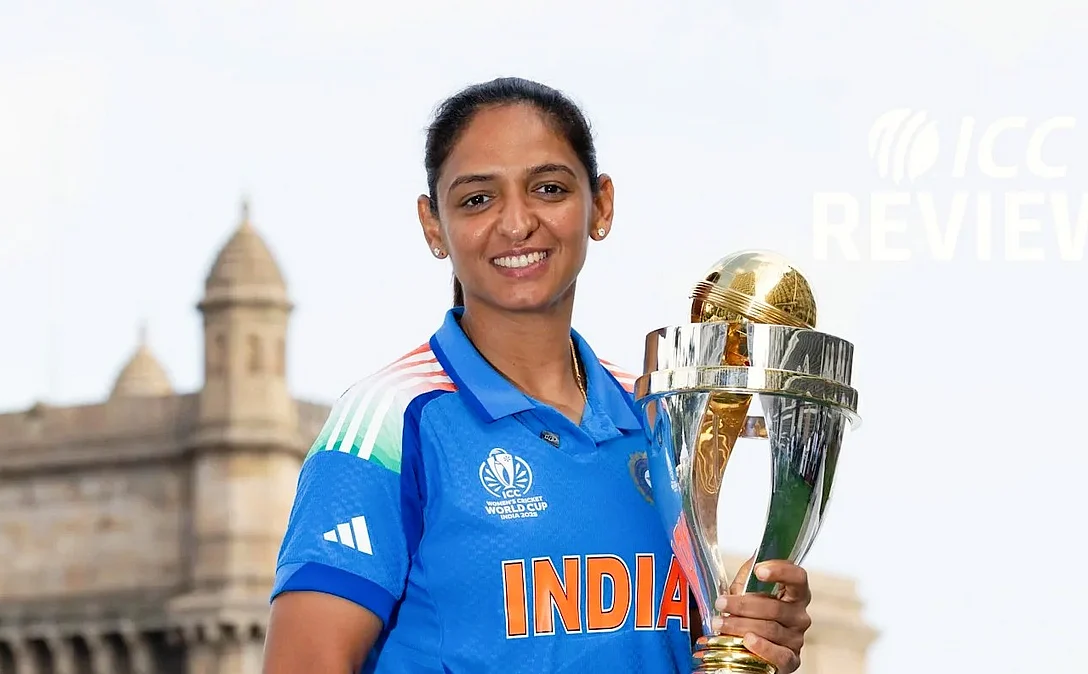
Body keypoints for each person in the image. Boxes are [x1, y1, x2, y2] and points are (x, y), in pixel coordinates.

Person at [263, 77, 814, 673]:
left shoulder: (656, 415)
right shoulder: (392, 420)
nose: (516, 223)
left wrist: (752, 640)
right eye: (478, 199)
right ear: (432, 224)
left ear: (600, 205)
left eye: (549, 189)